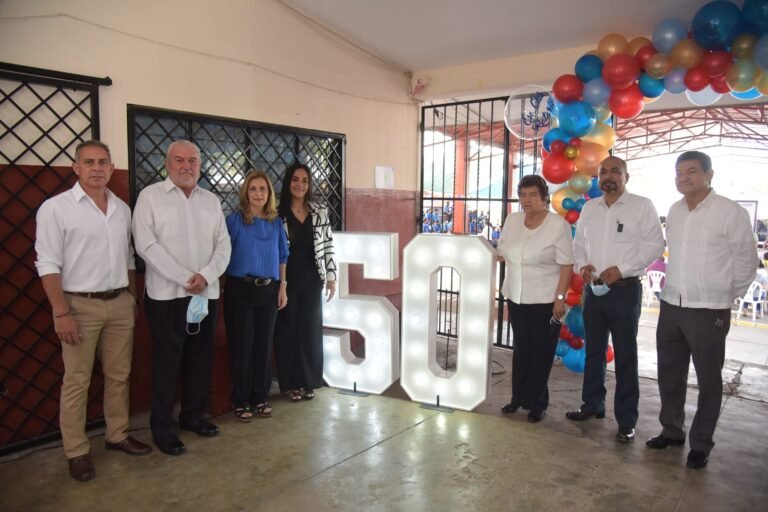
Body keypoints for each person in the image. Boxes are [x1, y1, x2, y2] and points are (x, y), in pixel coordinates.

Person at [35, 140, 151, 481]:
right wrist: (61, 312)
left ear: (112, 169)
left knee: (119, 375)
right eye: (89, 162)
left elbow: (128, 258)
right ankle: (77, 450)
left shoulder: (121, 209)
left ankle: (117, 435)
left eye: (103, 162)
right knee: (77, 381)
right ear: (76, 168)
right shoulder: (56, 209)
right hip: (78, 306)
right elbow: (47, 264)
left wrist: (131, 297)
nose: (97, 168)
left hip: (118, 303)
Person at [649, 151, 758, 469]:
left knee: (708, 379)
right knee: (670, 374)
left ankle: (701, 443)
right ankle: (671, 431)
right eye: (679, 173)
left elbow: (745, 262)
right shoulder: (675, 210)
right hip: (671, 305)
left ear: (710, 174)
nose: (683, 178)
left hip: (709, 309)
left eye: (691, 172)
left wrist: (725, 296)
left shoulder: (729, 212)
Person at [132, 140, 231, 456]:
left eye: (193, 160)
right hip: (166, 296)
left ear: (200, 165)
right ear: (167, 163)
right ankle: (163, 428)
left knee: (200, 358)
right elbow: (145, 245)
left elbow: (223, 246)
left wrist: (205, 275)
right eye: (179, 160)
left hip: (205, 294)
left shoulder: (211, 201)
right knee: (167, 362)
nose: (186, 166)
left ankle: (192, 416)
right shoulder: (150, 197)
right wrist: (185, 277)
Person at [567, 156, 664, 443]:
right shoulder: (590, 207)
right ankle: (592, 404)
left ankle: (626, 420)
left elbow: (655, 245)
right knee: (593, 351)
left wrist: (621, 269)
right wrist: (581, 266)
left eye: (615, 172)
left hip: (624, 290)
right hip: (593, 291)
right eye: (603, 172)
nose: (608, 176)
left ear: (626, 177)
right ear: (598, 178)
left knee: (625, 356)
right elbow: (579, 244)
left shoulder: (642, 206)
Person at [497, 175, 573, 423]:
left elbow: (566, 264)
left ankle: (537, 403)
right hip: (516, 296)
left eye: (532, 195)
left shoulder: (557, 225)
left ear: (544, 198)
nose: (526, 200)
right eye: (522, 195)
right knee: (521, 350)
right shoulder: (513, 220)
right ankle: (517, 398)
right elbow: (502, 253)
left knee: (541, 353)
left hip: (545, 301)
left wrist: (560, 299)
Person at [223, 171, 288, 421]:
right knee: (242, 346)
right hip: (240, 289)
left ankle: (259, 397)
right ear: (246, 193)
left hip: (269, 290)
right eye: (253, 189)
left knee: (263, 345)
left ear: (269, 194)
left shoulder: (275, 222)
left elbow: (283, 255)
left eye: (263, 189)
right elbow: (222, 253)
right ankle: (240, 399)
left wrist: (282, 286)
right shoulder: (235, 221)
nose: (258, 193)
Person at [275, 162, 337, 402]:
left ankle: (309, 381)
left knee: (310, 330)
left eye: (305, 180)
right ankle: (291, 384)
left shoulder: (319, 211)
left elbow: (329, 245)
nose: (300, 185)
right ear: (288, 182)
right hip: (286, 281)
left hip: (313, 279)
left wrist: (331, 278)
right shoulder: (277, 213)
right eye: (295, 180)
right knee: (287, 331)